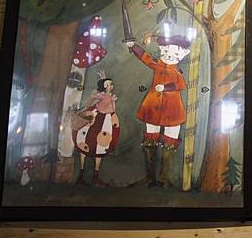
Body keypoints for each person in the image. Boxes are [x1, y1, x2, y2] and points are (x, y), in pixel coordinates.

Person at [126, 35, 190, 187]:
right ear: (162, 50)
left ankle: (164, 178)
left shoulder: (177, 72)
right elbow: (145, 58)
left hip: (172, 109)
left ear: (183, 54)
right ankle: (150, 177)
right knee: (150, 139)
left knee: (170, 141)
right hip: (153, 107)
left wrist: (166, 88)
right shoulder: (157, 65)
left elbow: (181, 85)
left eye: (175, 54)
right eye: (167, 52)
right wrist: (133, 46)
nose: (169, 56)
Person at [73, 73, 120, 187]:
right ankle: (81, 176)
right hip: (97, 120)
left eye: (111, 84)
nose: (111, 86)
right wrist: (87, 109)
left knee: (101, 146)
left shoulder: (110, 96)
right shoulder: (101, 95)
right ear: (104, 87)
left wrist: (113, 101)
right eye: (108, 85)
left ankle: (95, 177)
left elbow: (113, 109)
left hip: (106, 121)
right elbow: (91, 100)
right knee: (86, 142)